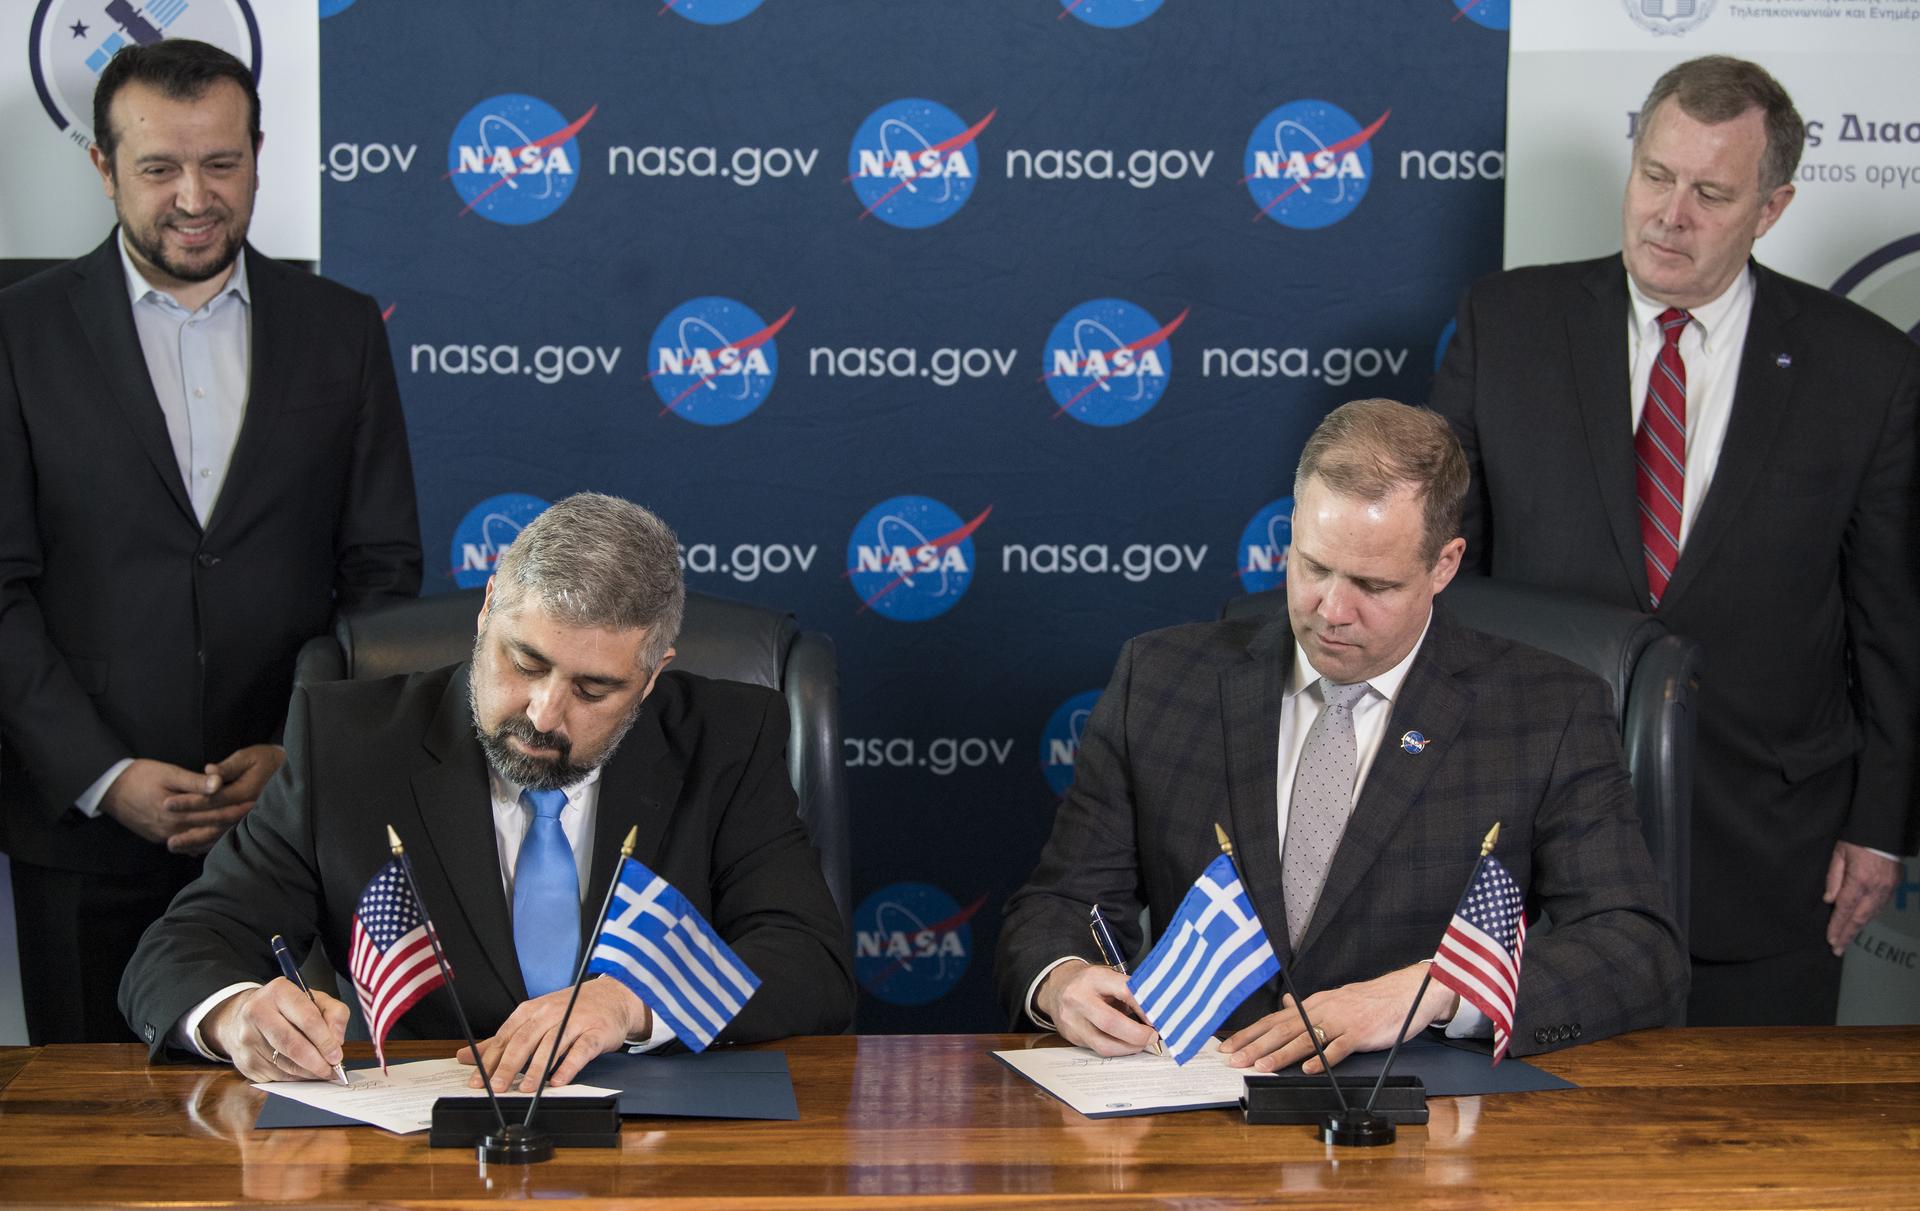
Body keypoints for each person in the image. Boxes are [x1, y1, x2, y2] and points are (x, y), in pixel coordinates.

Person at [1428, 55, 1919, 1025]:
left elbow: (1893, 626)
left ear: (1771, 208)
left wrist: (1880, 827)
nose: (1669, 214)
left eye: (1710, 193)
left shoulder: (1867, 369)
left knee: (1752, 1119)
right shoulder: (1508, 324)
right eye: (1655, 175)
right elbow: (1447, 578)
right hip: (1530, 849)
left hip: (1770, 855)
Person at [996, 399, 1684, 1070]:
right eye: (1314, 566)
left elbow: (1637, 949)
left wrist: (1435, 992)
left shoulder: (1547, 710)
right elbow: (1060, 905)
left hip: (1424, 1109)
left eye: (1372, 585)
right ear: (1294, 529)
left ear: (1444, 565)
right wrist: (1062, 980)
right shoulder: (1160, 681)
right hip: (1197, 1099)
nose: (1331, 610)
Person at [120, 493, 853, 1088]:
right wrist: (234, 1015)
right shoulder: (346, 746)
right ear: (488, 608)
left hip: (662, 1151)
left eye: (593, 689)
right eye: (525, 663)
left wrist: (631, 1002)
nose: (544, 713)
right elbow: (185, 946)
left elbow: (808, 959)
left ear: (652, 675)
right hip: (420, 1154)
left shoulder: (728, 739)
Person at [0, 38, 421, 1043]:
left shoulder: (342, 328)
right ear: (103, 167)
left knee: (295, 1109)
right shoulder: (18, 333)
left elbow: (381, 577)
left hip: (288, 825)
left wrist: (298, 749)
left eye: (221, 163)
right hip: (83, 833)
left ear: (259, 156)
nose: (195, 197)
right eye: (159, 167)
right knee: (94, 1123)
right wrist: (105, 775)